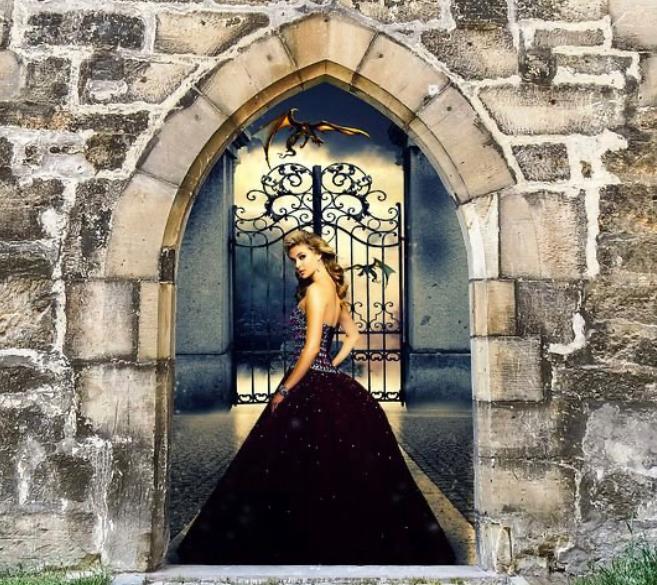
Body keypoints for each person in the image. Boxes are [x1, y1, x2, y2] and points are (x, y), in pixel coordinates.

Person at [174, 229, 456, 565]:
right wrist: (331, 366)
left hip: (309, 383)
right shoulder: (332, 290)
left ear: (319, 254)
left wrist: (284, 390)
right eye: (294, 260)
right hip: (324, 380)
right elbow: (353, 335)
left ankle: (296, 541)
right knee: (324, 469)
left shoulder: (316, 291)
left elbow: (309, 350)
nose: (298, 265)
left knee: (287, 467)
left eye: (302, 257)